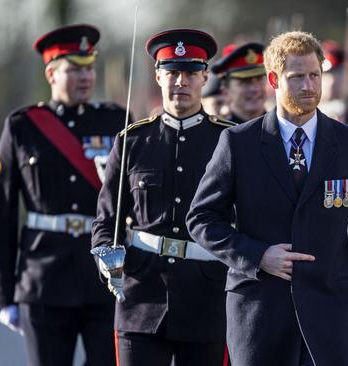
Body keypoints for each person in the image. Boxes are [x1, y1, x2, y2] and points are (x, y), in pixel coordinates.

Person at [186, 30, 348, 366]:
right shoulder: (239, 144)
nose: (309, 86)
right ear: (273, 79)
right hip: (260, 315)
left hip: (331, 316)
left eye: (315, 75)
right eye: (297, 77)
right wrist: (257, 255)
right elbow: (201, 219)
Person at [91, 28, 233, 366]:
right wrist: (103, 254)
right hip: (141, 296)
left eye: (190, 73)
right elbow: (106, 219)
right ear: (158, 76)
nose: (180, 81)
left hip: (207, 297)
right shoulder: (132, 141)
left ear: (205, 77)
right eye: (171, 72)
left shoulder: (229, 142)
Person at [0, 24, 125, 365]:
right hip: (43, 279)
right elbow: (0, 216)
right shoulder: (23, 126)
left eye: (89, 67)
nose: (85, 77)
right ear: (51, 73)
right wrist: (4, 296)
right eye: (74, 68)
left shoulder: (117, 122)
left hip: (104, 278)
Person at [211, 42, 267, 124]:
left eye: (260, 79)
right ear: (226, 92)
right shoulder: (218, 134)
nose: (255, 89)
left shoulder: (285, 129)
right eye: (245, 82)